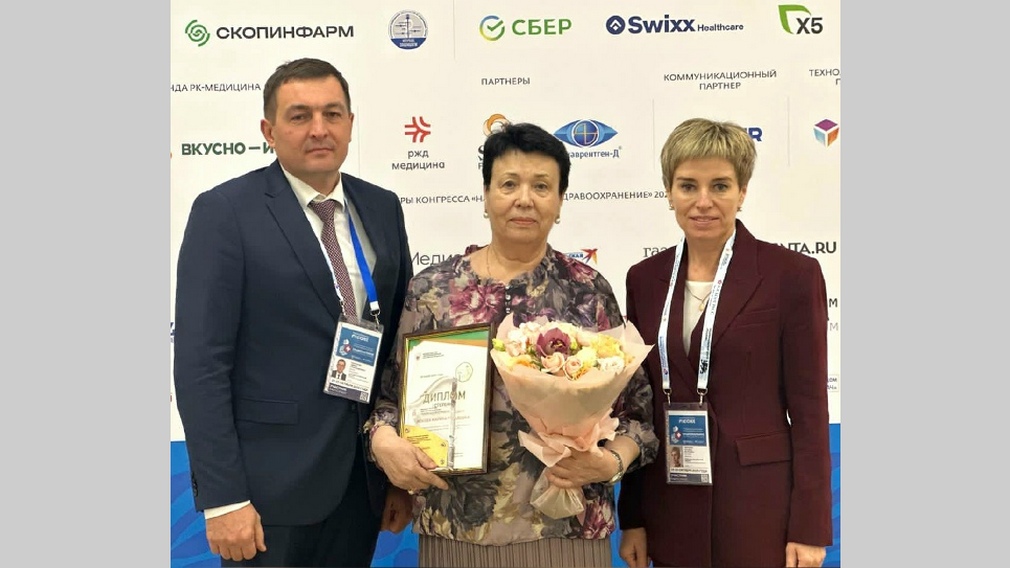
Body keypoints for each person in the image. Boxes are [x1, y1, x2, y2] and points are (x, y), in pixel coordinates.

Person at [364, 122, 659, 567]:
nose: (525, 199)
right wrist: (384, 442)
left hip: (568, 526)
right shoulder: (434, 289)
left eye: (541, 186)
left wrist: (610, 464)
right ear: (485, 196)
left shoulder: (587, 290)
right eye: (508, 184)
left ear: (560, 201)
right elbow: (389, 402)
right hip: (455, 528)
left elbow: (637, 417)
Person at [173, 57, 414, 567]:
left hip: (363, 483)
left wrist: (398, 476)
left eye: (332, 113)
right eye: (300, 116)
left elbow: (399, 346)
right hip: (266, 495)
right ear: (269, 131)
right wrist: (224, 498)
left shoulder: (382, 207)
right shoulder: (225, 212)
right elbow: (200, 365)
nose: (319, 129)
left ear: (351, 123)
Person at [617, 118, 832, 568]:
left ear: (742, 191)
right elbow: (640, 405)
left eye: (719, 185)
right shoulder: (645, 279)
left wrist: (809, 528)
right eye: (687, 186)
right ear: (669, 191)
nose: (703, 202)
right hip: (670, 502)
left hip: (759, 505)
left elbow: (810, 410)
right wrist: (633, 517)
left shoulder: (791, 275)